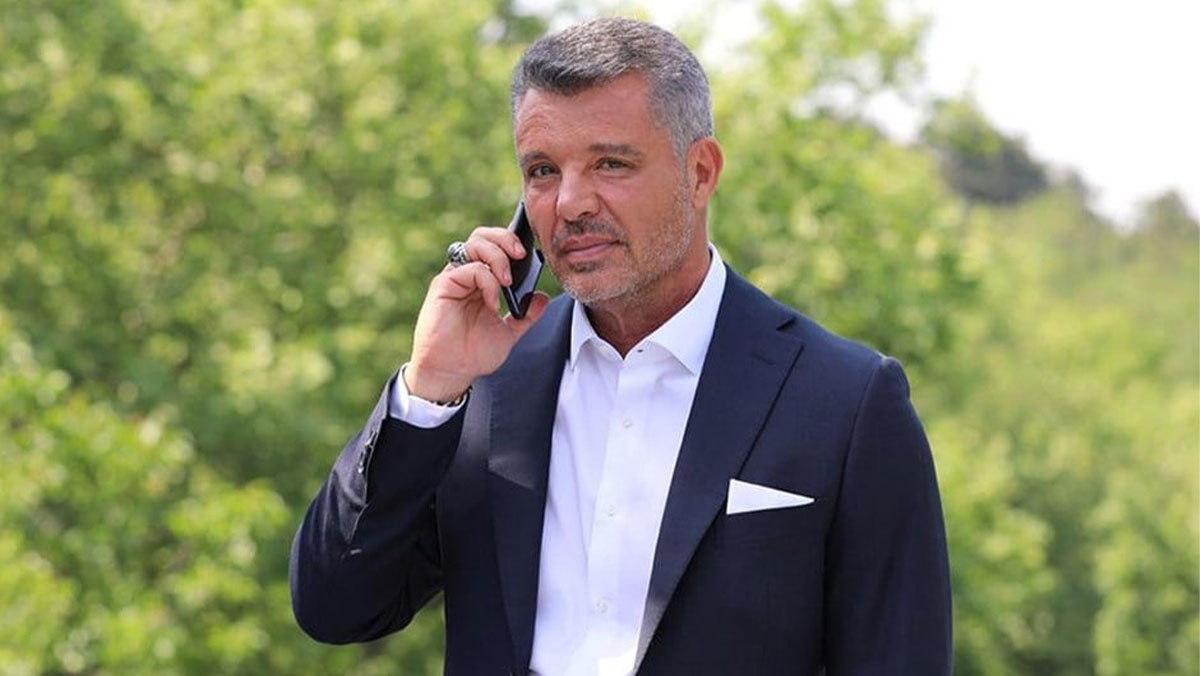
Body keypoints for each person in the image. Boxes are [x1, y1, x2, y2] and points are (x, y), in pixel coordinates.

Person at [290, 16, 952, 676]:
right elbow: (336, 607)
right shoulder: (482, 381)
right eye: (542, 171)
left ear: (700, 173)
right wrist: (429, 388)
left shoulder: (847, 400)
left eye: (610, 163)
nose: (570, 203)